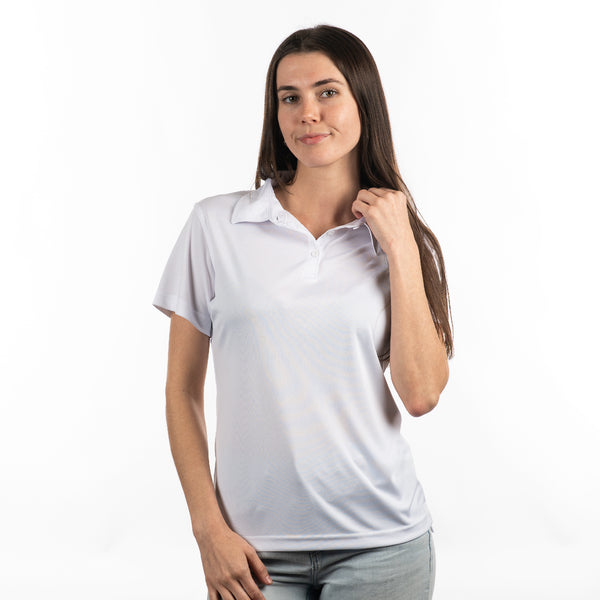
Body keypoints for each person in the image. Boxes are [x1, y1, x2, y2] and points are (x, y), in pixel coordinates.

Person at [152, 24, 453, 600]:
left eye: (327, 92)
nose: (307, 113)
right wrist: (208, 530)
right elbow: (181, 391)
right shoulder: (216, 226)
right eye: (289, 97)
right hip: (251, 553)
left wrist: (400, 247)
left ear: (364, 101)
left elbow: (420, 395)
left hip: (384, 546)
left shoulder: (397, 239)